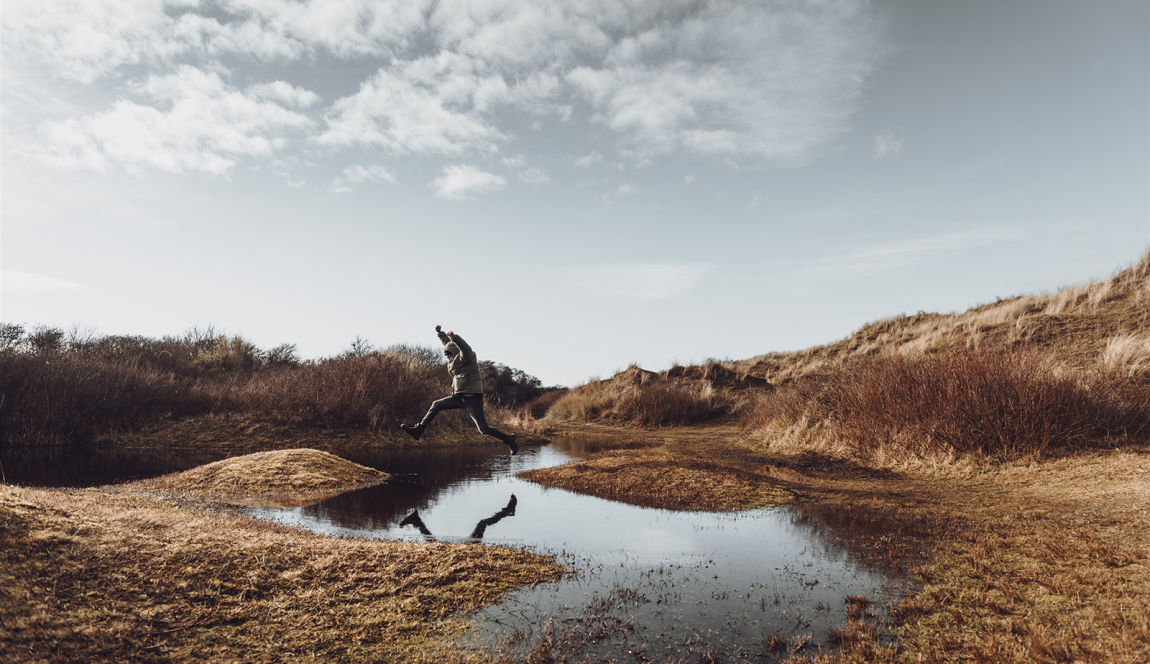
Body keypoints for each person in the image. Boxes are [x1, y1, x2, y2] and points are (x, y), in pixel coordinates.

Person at [399, 325, 519, 455]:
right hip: (459, 398)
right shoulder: (453, 355)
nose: (447, 358)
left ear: (455, 353)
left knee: (484, 429)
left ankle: (509, 439)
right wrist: (440, 333)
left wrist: (455, 338)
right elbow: (448, 344)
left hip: (473, 399)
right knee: (436, 404)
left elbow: (464, 348)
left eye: (449, 355)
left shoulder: (467, 357)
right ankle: (418, 430)